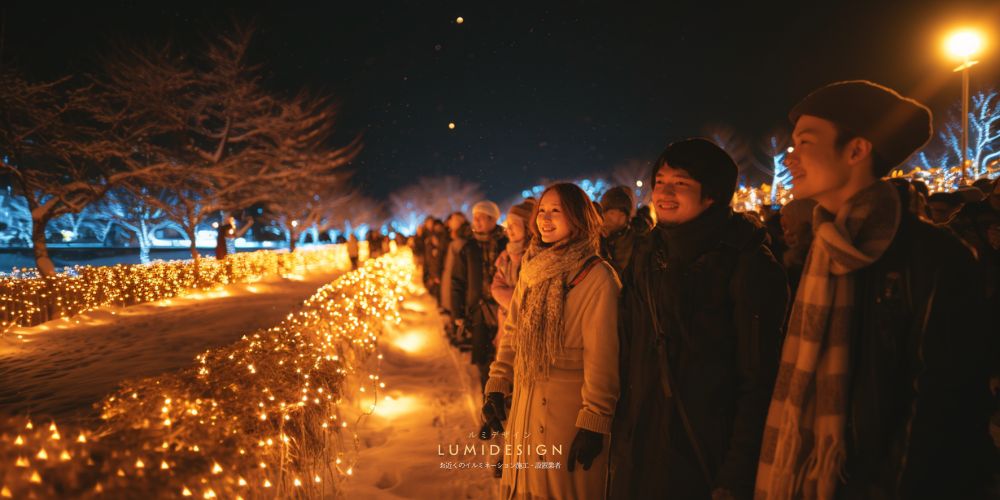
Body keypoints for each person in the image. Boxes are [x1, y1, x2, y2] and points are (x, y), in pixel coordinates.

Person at [755, 81, 993, 499]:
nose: (789, 157)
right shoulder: (816, 248)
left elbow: (944, 405)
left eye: (805, 142)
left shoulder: (932, 256)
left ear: (856, 151)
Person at [609, 138, 789, 500]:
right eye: (659, 182)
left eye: (681, 184)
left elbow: (758, 379)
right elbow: (626, 346)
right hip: (641, 446)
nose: (664, 193)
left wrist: (735, 474)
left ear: (713, 195)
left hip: (705, 453)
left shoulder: (747, 261)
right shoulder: (647, 251)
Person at [483, 182, 620, 499]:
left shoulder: (597, 276)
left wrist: (594, 421)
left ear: (578, 217)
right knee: (522, 487)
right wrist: (496, 384)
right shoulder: (532, 268)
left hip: (567, 416)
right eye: (541, 211)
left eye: (556, 211)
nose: (545, 218)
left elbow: (603, 356)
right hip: (526, 404)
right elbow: (514, 332)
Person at [450, 201, 508, 388]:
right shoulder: (469, 247)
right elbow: (457, 280)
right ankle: (488, 398)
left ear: (492, 220)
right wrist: (457, 312)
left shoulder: (506, 244)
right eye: (475, 218)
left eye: (480, 218)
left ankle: (505, 394)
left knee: (505, 354)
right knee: (483, 357)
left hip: (503, 308)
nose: (476, 222)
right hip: (478, 309)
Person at [491, 199, 536, 349]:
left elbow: (532, 298)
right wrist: (516, 301)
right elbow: (496, 287)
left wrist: (512, 301)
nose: (508, 230)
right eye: (507, 226)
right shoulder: (506, 256)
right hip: (505, 324)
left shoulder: (536, 257)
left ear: (528, 227)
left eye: (514, 226)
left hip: (527, 331)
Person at [599, 186, 651, 277]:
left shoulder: (636, 241)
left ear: (626, 218)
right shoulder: (595, 237)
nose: (615, 219)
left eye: (621, 214)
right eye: (610, 213)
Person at [779, 198, 818, 297]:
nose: (786, 234)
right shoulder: (786, 250)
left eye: (788, 228)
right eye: (784, 229)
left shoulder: (807, 256)